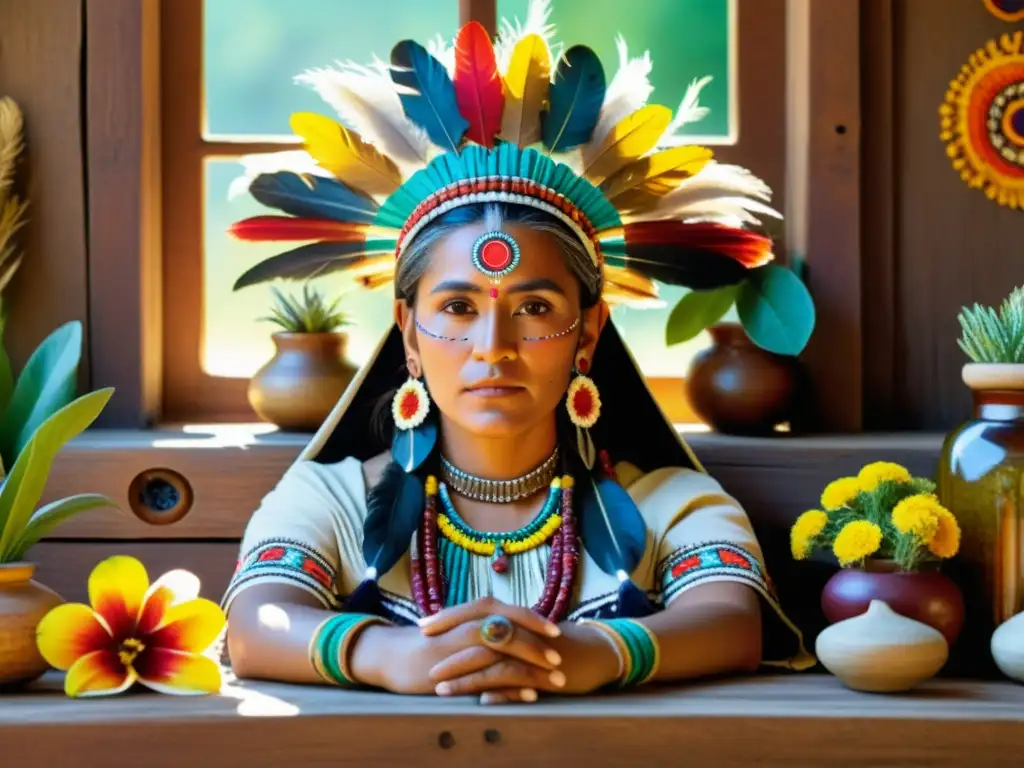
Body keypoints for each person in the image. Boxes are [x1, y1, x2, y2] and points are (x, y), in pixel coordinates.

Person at [220, 7, 813, 704]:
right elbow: (254, 625)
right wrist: (383, 654)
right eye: (458, 309)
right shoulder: (332, 499)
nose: (493, 349)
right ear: (408, 333)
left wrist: (595, 653)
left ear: (588, 332)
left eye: (534, 309)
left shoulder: (671, 504)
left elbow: (731, 624)